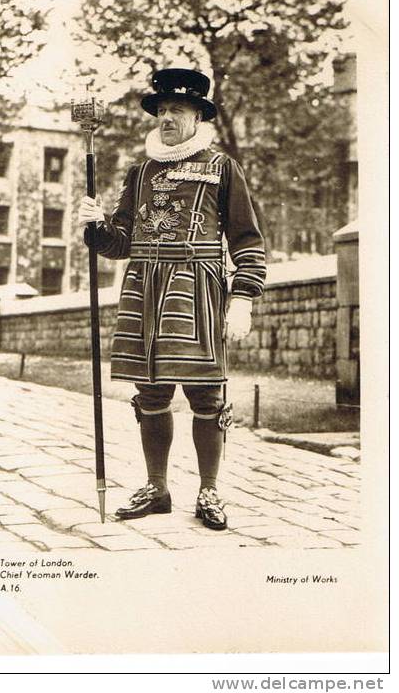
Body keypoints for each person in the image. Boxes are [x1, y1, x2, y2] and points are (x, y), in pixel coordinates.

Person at [78, 68, 266, 531]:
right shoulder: (140, 172)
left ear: (198, 116)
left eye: (175, 110)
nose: (165, 118)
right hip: (144, 286)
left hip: (198, 287)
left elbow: (247, 239)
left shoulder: (223, 167)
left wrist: (242, 297)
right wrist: (96, 225)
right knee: (152, 390)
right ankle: (157, 488)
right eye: (161, 110)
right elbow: (121, 242)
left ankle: (208, 490)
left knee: (206, 393)